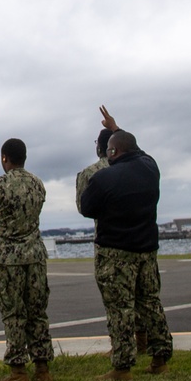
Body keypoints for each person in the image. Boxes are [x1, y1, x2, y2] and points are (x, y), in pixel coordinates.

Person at [79, 109, 173, 381]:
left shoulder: (104, 178)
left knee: (120, 310)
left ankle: (122, 366)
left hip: (115, 252)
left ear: (112, 152)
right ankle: (160, 357)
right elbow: (137, 149)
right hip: (146, 249)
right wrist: (116, 127)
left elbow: (87, 208)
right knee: (151, 304)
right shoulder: (150, 166)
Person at [0, 138, 56, 381]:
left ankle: (18, 370)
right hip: (35, 256)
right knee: (37, 312)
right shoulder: (38, 184)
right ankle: (42, 368)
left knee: (13, 315)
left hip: (7, 259)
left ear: (4, 158)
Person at [75, 106, 149, 354]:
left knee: (117, 300)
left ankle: (121, 347)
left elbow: (83, 207)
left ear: (104, 148)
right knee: (144, 296)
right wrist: (116, 127)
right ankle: (143, 341)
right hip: (141, 236)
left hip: (109, 240)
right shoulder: (140, 165)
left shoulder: (90, 173)